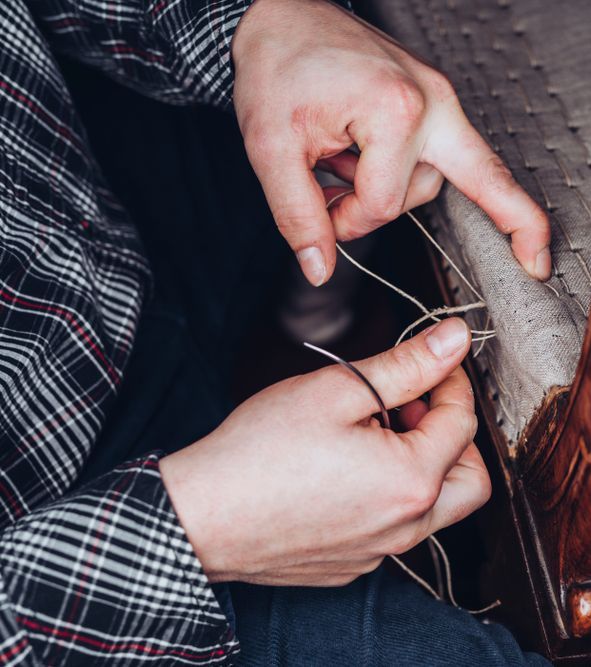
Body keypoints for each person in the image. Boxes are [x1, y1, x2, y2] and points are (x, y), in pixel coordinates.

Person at [0, 0, 552, 663]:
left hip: (85, 200)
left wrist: (257, 27)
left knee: (360, 138)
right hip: (69, 564)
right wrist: (196, 528)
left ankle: (314, 314)